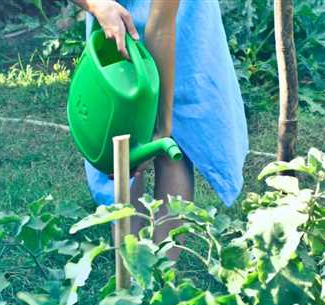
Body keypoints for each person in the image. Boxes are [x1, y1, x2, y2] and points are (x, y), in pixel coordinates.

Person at [71, 0, 249, 258]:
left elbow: (162, 28)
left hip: (179, 24)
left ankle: (162, 275)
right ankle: (130, 273)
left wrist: (163, 127)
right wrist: (98, 6)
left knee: (174, 145)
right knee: (121, 138)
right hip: (114, 16)